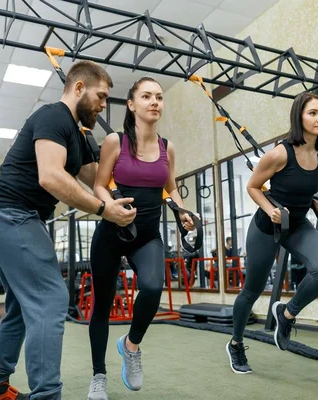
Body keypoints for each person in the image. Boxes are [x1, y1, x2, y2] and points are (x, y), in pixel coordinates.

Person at [0, 60, 134, 400]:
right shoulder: (53, 116)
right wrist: (104, 210)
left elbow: (97, 179)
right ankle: (47, 395)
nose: (104, 105)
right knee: (50, 299)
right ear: (78, 88)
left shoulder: (77, 133)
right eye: (101, 96)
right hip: (9, 214)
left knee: (22, 305)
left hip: (17, 218)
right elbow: (51, 176)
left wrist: (129, 186)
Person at [86, 76, 196, 400]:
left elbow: (171, 187)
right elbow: (98, 185)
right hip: (111, 233)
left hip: (148, 235)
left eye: (159, 97)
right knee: (102, 306)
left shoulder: (167, 147)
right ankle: (98, 376)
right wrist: (110, 207)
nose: (155, 102)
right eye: (146, 96)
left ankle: (130, 346)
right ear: (131, 104)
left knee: (151, 287)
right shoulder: (114, 142)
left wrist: (182, 211)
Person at [225, 92, 318, 374]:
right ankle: (236, 344)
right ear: (299, 116)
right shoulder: (279, 153)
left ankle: (286, 315)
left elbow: (303, 190)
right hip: (267, 227)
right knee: (252, 290)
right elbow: (253, 186)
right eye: (313, 113)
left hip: (298, 224)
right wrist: (269, 209)